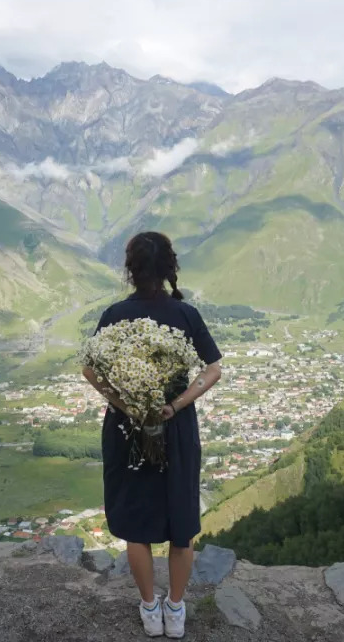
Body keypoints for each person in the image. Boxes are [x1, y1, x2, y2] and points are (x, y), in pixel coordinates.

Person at [82, 231, 223, 639]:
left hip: (127, 429)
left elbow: (90, 370)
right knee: (180, 520)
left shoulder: (113, 314)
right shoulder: (186, 315)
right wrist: (175, 406)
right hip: (175, 428)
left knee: (136, 523)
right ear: (169, 269)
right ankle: (175, 610)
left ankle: (149, 608)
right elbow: (212, 368)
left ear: (131, 269)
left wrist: (127, 404)